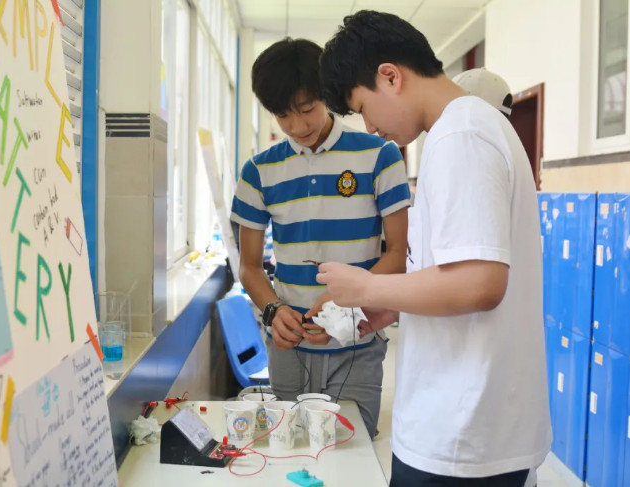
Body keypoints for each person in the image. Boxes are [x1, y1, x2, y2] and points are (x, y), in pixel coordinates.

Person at [317, 10, 551, 487]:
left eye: (363, 107)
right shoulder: (470, 128)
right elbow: (459, 274)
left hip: (460, 435)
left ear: (390, 76)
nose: (371, 126)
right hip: (470, 428)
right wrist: (393, 305)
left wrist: (366, 285)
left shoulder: (461, 135)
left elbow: (480, 284)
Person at [230, 37, 410, 439]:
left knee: (351, 451)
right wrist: (273, 311)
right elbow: (249, 267)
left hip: (358, 344)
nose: (298, 127)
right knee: (290, 452)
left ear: (326, 95)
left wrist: (348, 301)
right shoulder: (258, 172)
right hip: (289, 349)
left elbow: (398, 255)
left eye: (307, 109)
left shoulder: (379, 156)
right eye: (283, 116)